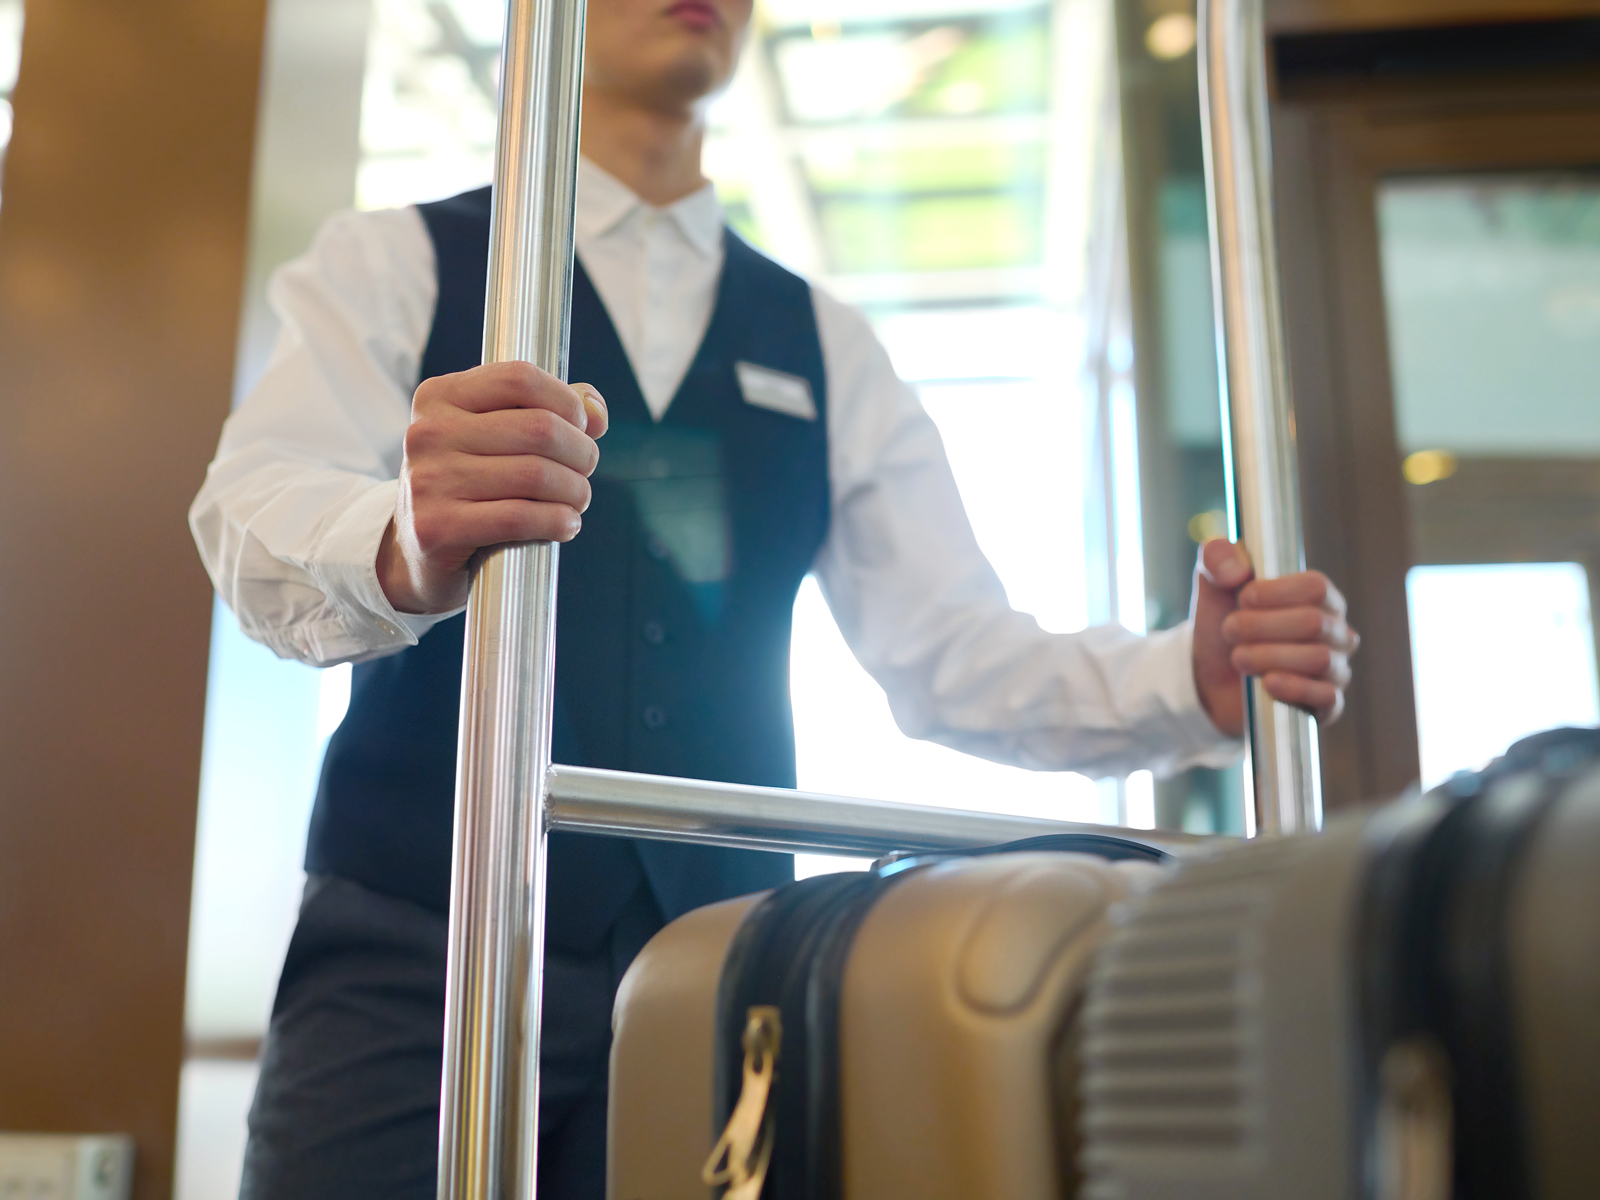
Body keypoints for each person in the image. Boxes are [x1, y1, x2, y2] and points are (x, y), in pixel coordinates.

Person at [189, 0, 1359, 1195]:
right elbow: (247, 518)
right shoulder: (397, 262)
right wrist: (407, 538)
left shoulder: (823, 339)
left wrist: (1189, 681)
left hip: (719, 971)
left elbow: (951, 650)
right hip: (411, 960)